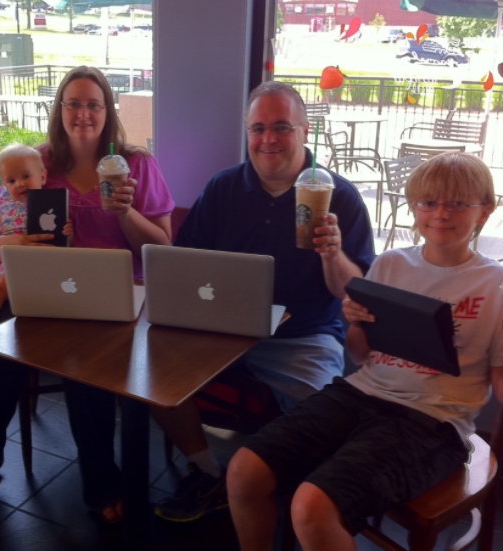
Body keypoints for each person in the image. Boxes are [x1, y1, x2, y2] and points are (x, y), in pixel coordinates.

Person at [226, 152, 503, 551]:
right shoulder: (391, 264)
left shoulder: (500, 285)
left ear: (484, 211)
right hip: (360, 394)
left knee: (310, 506)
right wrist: (358, 323)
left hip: (433, 421)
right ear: (414, 206)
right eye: (428, 202)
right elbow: (362, 355)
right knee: (244, 471)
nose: (441, 213)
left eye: (457, 203)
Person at [151, 81, 375, 522]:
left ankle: (293, 498)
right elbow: (186, 261)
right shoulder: (223, 188)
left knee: (322, 417)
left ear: (305, 131)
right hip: (222, 329)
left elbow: (352, 294)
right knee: (154, 377)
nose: (268, 139)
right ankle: (209, 472)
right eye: (258, 128)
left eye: (281, 127)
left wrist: (332, 253)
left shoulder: (340, 197)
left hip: (303, 336)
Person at [0, 66, 174, 524]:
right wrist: (17, 242)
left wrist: (125, 213)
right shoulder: (38, 163)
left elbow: (163, 247)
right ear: (60, 110)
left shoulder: (136, 164)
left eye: (93, 104)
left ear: (108, 111)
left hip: (119, 295)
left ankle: (101, 484)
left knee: (83, 369)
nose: (83, 113)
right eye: (73, 103)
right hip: (45, 287)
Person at [0, 143, 73, 319]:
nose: (20, 184)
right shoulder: (6, 204)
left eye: (26, 176)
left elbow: (62, 238)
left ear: (43, 177)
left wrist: (69, 231)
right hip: (5, 263)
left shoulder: (49, 203)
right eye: (12, 181)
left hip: (29, 265)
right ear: (4, 185)